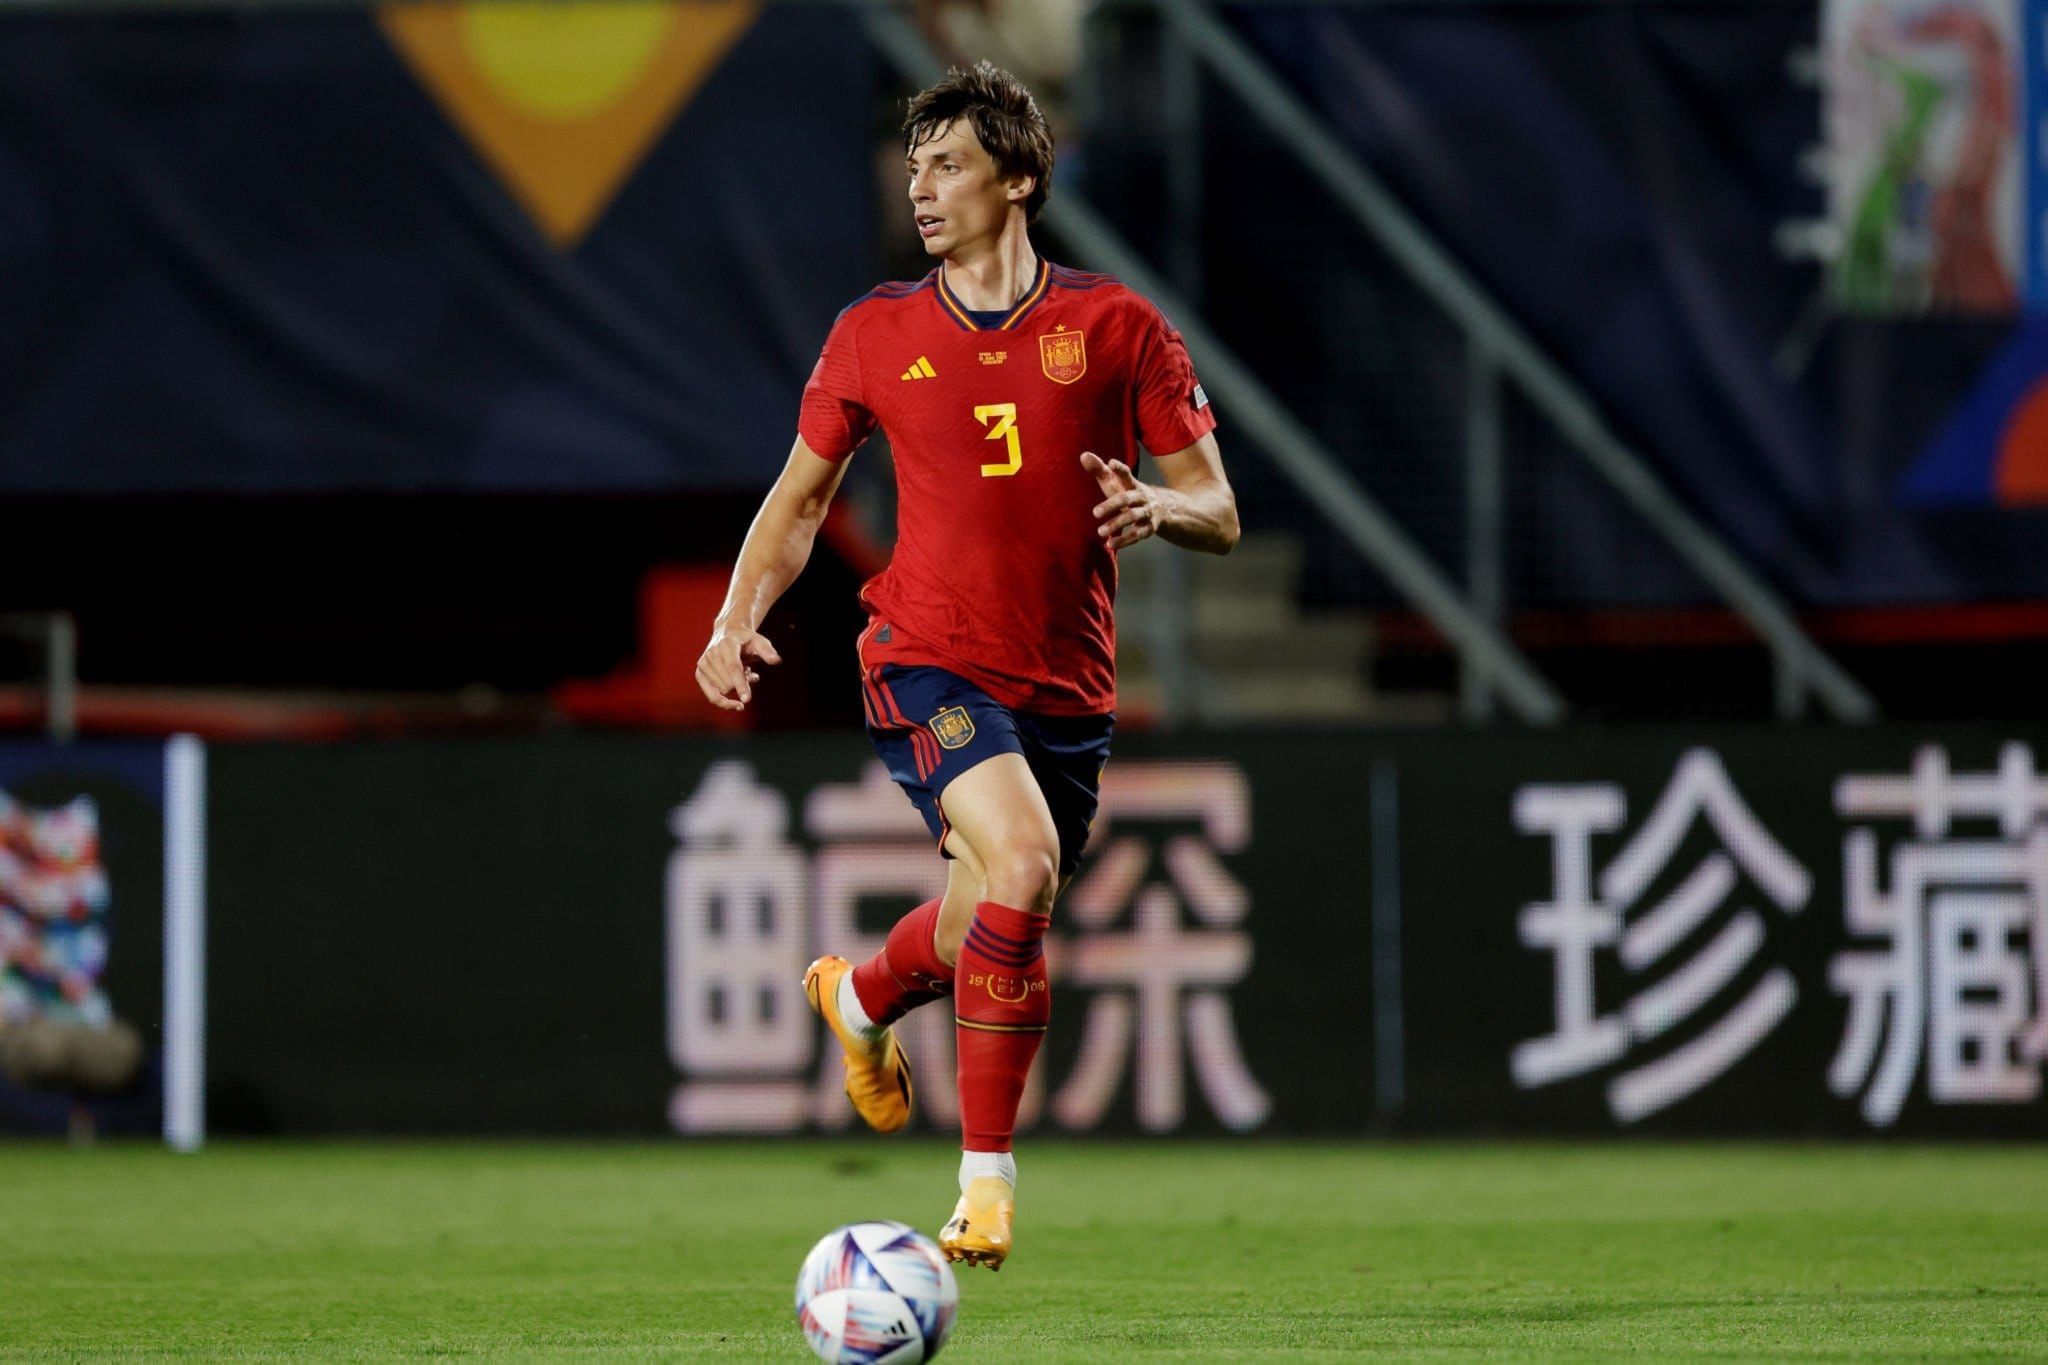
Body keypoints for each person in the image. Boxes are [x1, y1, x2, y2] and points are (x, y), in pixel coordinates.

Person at [695, 60, 1237, 1271]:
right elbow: (796, 505)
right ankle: (982, 1187)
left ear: (1021, 178)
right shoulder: (875, 333)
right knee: (1028, 863)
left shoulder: (1115, 329)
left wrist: (1158, 504)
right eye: (914, 166)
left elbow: (1219, 510)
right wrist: (734, 621)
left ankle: (856, 1001)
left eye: (949, 165)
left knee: (973, 920)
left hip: (1065, 687)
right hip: (925, 657)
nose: (923, 188)